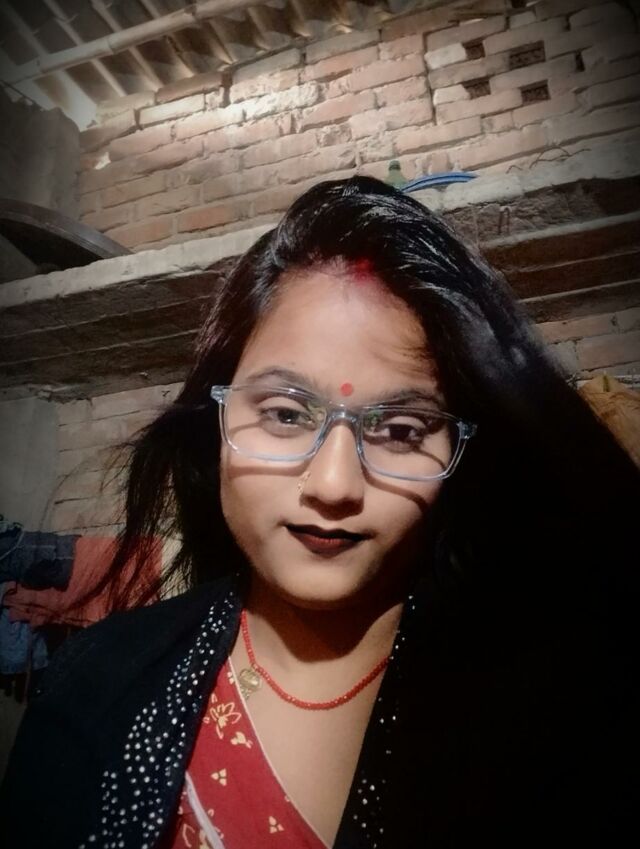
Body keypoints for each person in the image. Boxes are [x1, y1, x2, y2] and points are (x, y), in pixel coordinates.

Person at [1, 176, 638, 849]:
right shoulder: (98, 682)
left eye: (401, 430)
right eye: (284, 414)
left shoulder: (554, 707)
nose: (334, 485)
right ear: (216, 422)